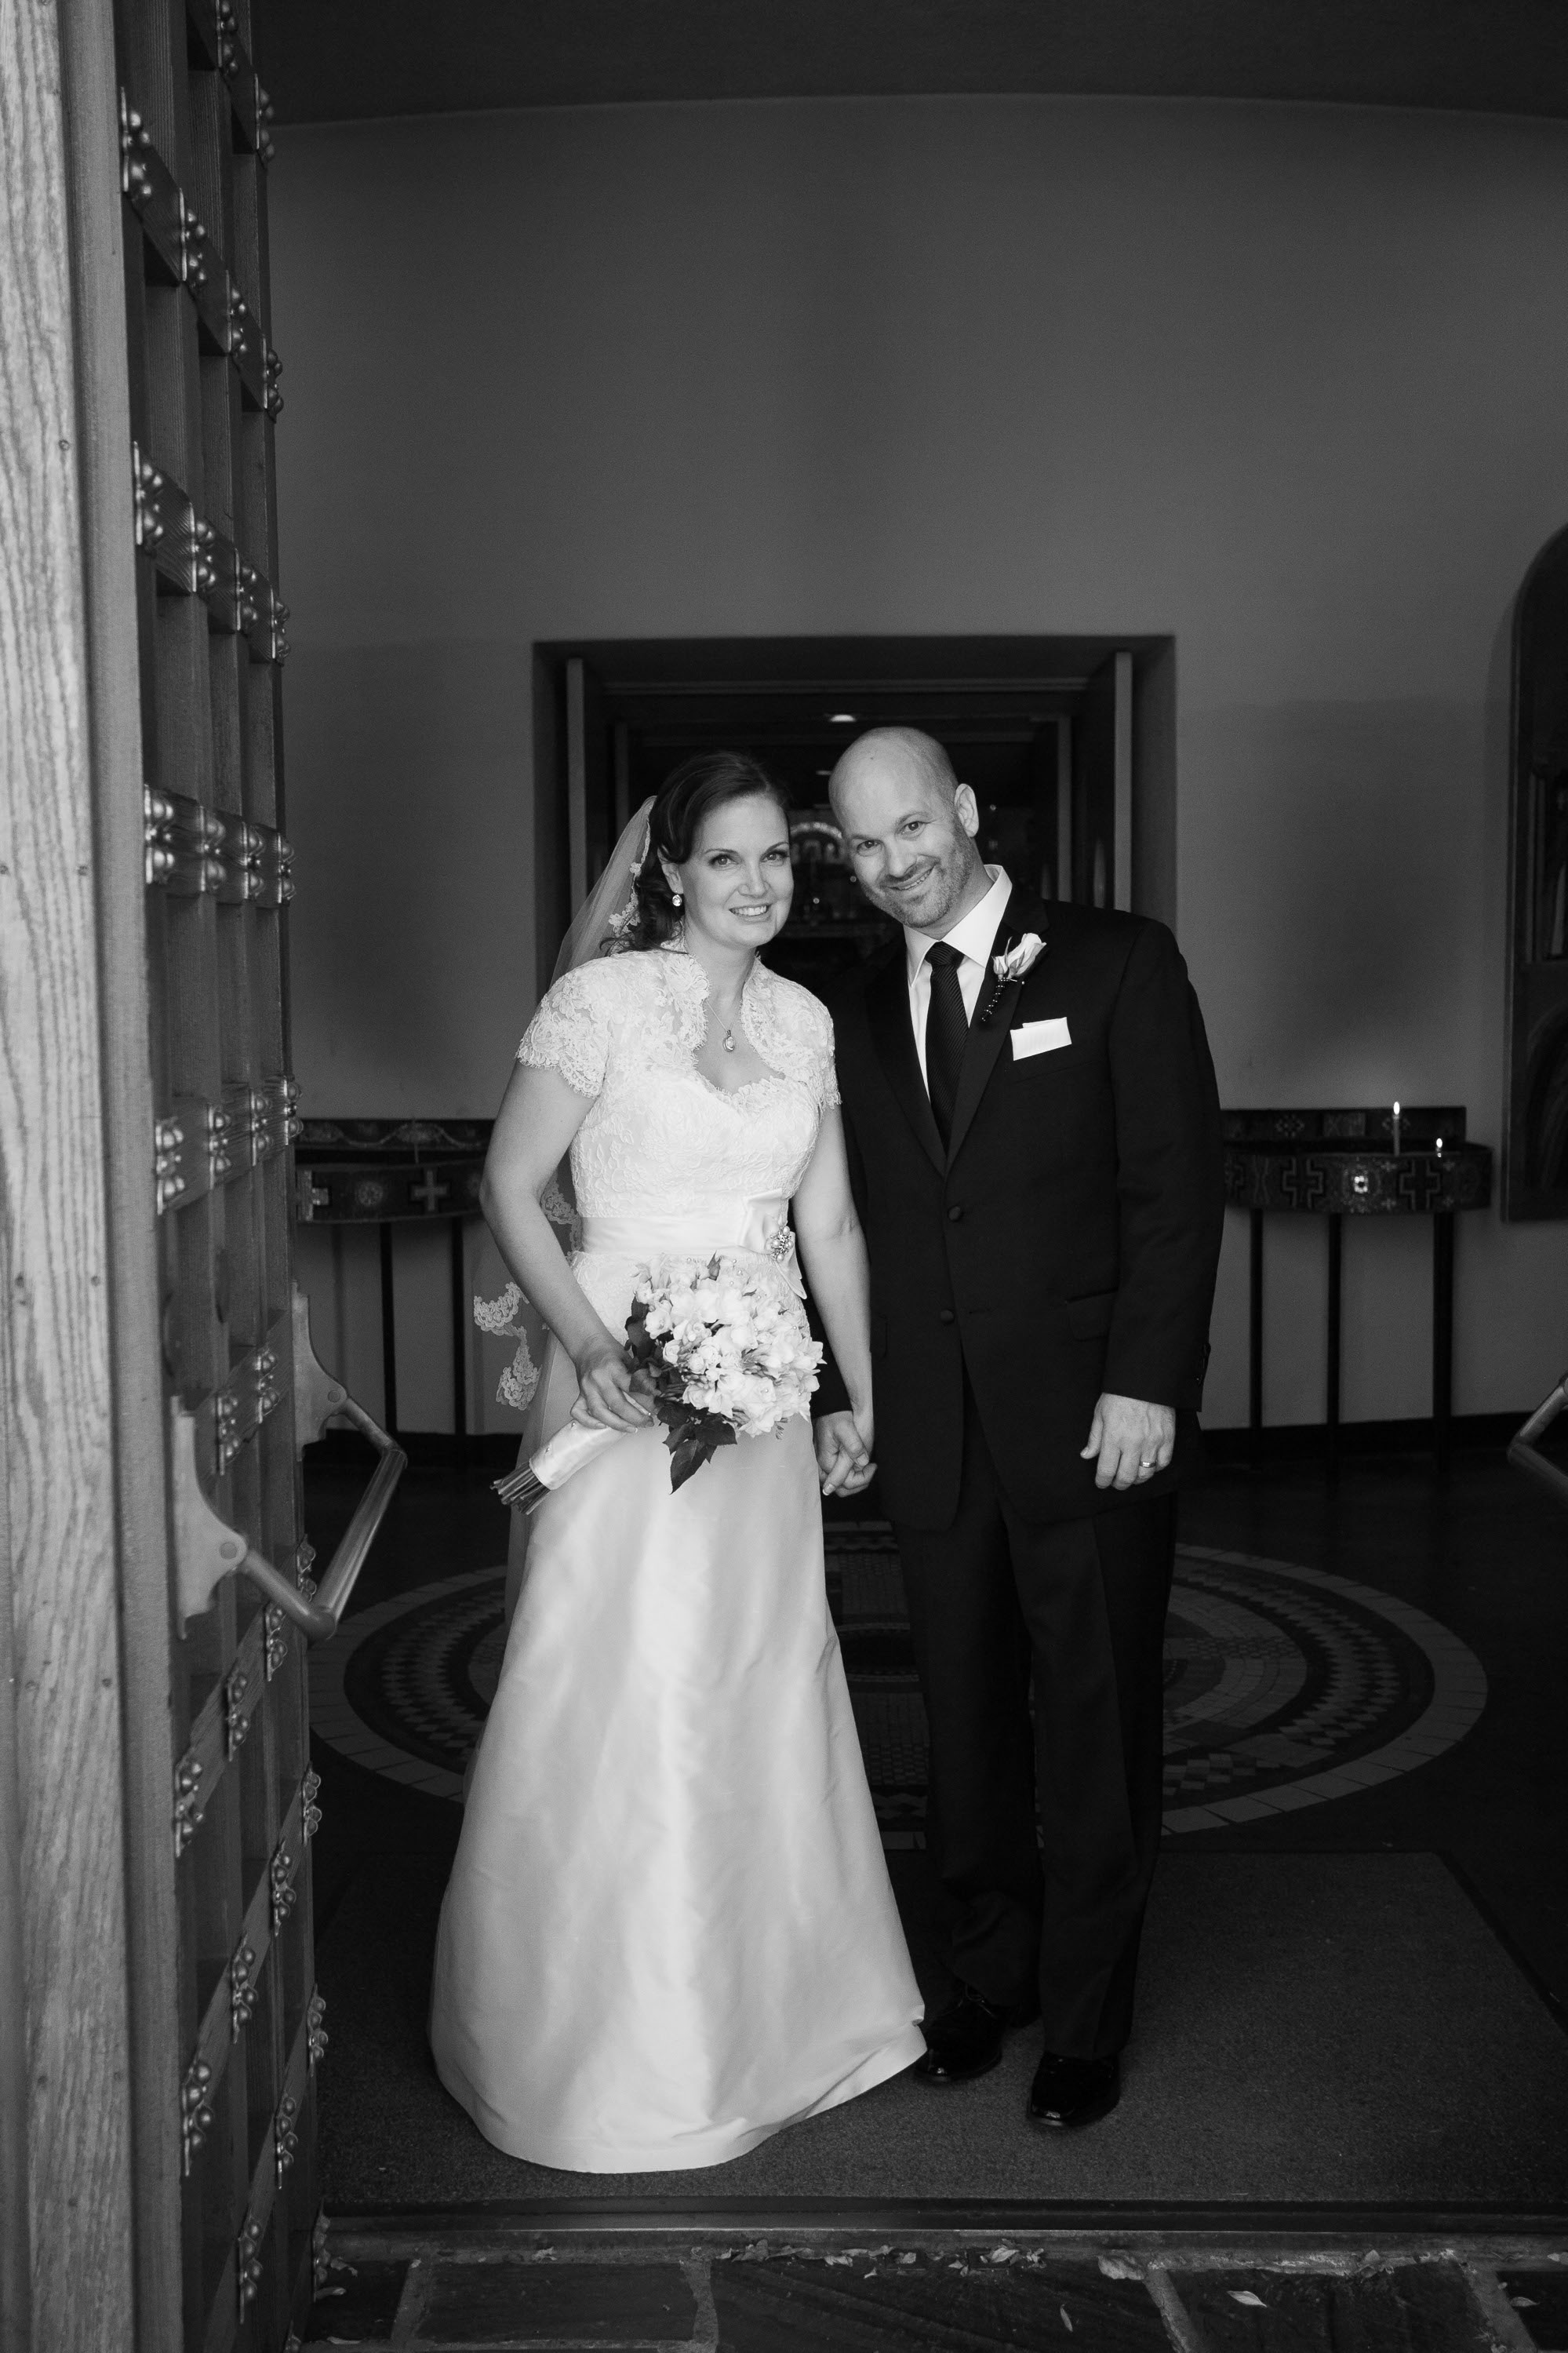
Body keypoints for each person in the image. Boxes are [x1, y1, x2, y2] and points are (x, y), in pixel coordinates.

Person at [429, 750, 925, 2173]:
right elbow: (511, 1186)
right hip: (619, 1397)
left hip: (759, 1420)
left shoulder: (809, 1021)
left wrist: (863, 1399)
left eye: (779, 859)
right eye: (727, 859)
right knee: (613, 1681)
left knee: (760, 1679)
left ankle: (775, 2024)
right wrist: (593, 1347)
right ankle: (587, 2046)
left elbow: (826, 1227)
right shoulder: (599, 1004)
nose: (759, 884)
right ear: (670, 872)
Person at [813, 727, 1224, 2132]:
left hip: (1092, 1420)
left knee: (1098, 1721)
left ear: (967, 812)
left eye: (913, 829)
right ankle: (989, 1983)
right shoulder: (857, 1011)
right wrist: (841, 1395)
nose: (896, 867)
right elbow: (842, 1225)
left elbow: (1173, 1193)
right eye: (865, 847)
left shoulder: (1119, 962)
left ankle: (1091, 2016)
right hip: (933, 1430)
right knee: (966, 1719)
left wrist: (1148, 1380)